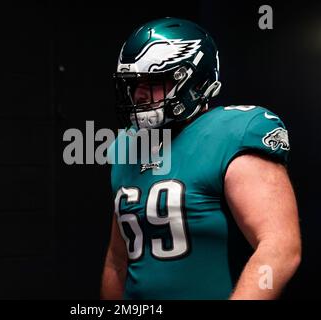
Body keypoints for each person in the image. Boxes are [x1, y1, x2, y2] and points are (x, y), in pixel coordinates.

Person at [100, 17, 301, 299]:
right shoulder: (128, 144)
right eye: (134, 84)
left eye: (152, 82)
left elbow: (280, 248)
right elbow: (116, 261)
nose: (139, 94)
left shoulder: (235, 132)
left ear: (192, 79)